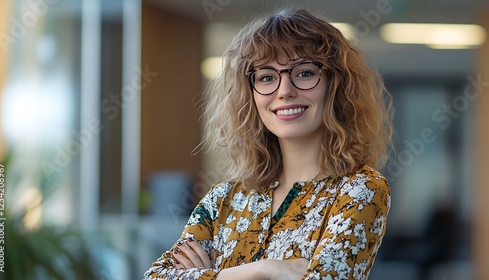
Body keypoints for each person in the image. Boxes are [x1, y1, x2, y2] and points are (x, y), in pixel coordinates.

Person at [144, 8, 393, 280]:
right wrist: (264, 270)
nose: (285, 90)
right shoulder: (223, 198)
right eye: (267, 77)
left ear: (335, 85)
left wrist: (210, 275)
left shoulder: (360, 189)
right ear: (249, 94)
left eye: (305, 73)